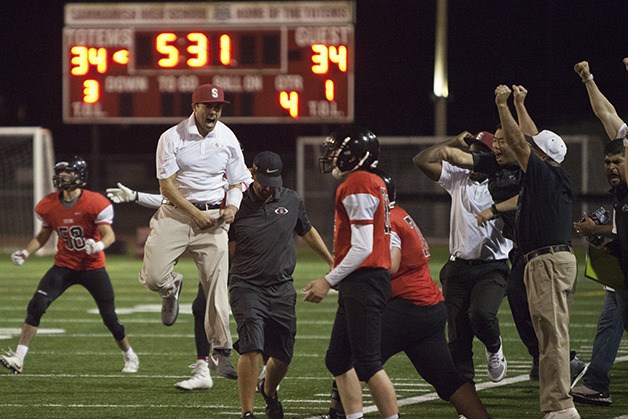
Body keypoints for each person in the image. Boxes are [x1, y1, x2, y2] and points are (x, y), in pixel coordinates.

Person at [322, 169, 490, 419]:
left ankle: (338, 414)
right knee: (448, 380)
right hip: (428, 307)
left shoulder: (390, 221)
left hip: (408, 307)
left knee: (353, 360)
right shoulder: (399, 214)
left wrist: (351, 273)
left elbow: (391, 264)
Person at [138, 83, 251, 380]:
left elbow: (237, 181)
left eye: (218, 107)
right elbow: (167, 186)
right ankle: (170, 287)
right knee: (153, 277)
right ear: (194, 107)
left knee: (216, 291)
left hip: (213, 218)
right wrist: (195, 213)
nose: (214, 111)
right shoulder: (172, 137)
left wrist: (233, 208)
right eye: (208, 106)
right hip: (176, 216)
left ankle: (222, 352)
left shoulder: (227, 137)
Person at [2, 156, 139, 375]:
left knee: (109, 317)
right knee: (37, 304)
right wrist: (26, 252)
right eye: (61, 172)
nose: (63, 176)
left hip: (92, 267)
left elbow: (109, 235)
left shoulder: (95, 202)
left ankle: (129, 355)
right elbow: (44, 233)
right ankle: (18, 358)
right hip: (64, 265)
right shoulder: (48, 204)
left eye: (68, 172)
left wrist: (98, 246)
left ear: (80, 176)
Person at [303, 126, 400, 419]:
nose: (332, 157)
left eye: (338, 151)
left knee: (369, 362)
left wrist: (327, 279)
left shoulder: (358, 183)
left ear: (354, 156)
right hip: (363, 280)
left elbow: (361, 247)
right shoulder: (370, 181)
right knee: (338, 358)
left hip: (365, 280)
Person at [228, 151, 333, 419]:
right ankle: (247, 413)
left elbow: (307, 231)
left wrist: (331, 261)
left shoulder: (291, 199)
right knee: (252, 345)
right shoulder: (235, 203)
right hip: (246, 286)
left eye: (272, 182)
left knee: (283, 357)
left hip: (282, 288)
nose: (268, 188)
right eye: (263, 182)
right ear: (252, 174)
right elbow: (226, 248)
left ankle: (269, 390)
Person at [495, 84, 579, 419]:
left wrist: (503, 105)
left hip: (546, 262)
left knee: (553, 338)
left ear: (542, 157)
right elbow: (531, 138)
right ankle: (555, 403)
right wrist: (520, 104)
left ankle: (561, 406)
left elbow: (519, 141)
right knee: (549, 337)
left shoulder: (544, 173)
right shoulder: (552, 173)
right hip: (547, 261)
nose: (526, 151)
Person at [413, 130, 511, 385]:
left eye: (481, 152)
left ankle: (493, 346)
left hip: (493, 267)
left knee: (481, 315)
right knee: (457, 336)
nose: (475, 155)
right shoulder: (459, 178)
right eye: (474, 150)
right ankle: (465, 396)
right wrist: (453, 142)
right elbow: (421, 160)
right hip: (458, 267)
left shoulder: (505, 184)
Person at [106, 183, 215, 390]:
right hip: (198, 230)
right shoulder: (193, 172)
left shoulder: (237, 179)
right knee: (199, 304)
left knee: (241, 308)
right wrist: (137, 195)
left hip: (237, 249)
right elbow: (174, 202)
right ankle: (204, 366)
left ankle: (253, 363)